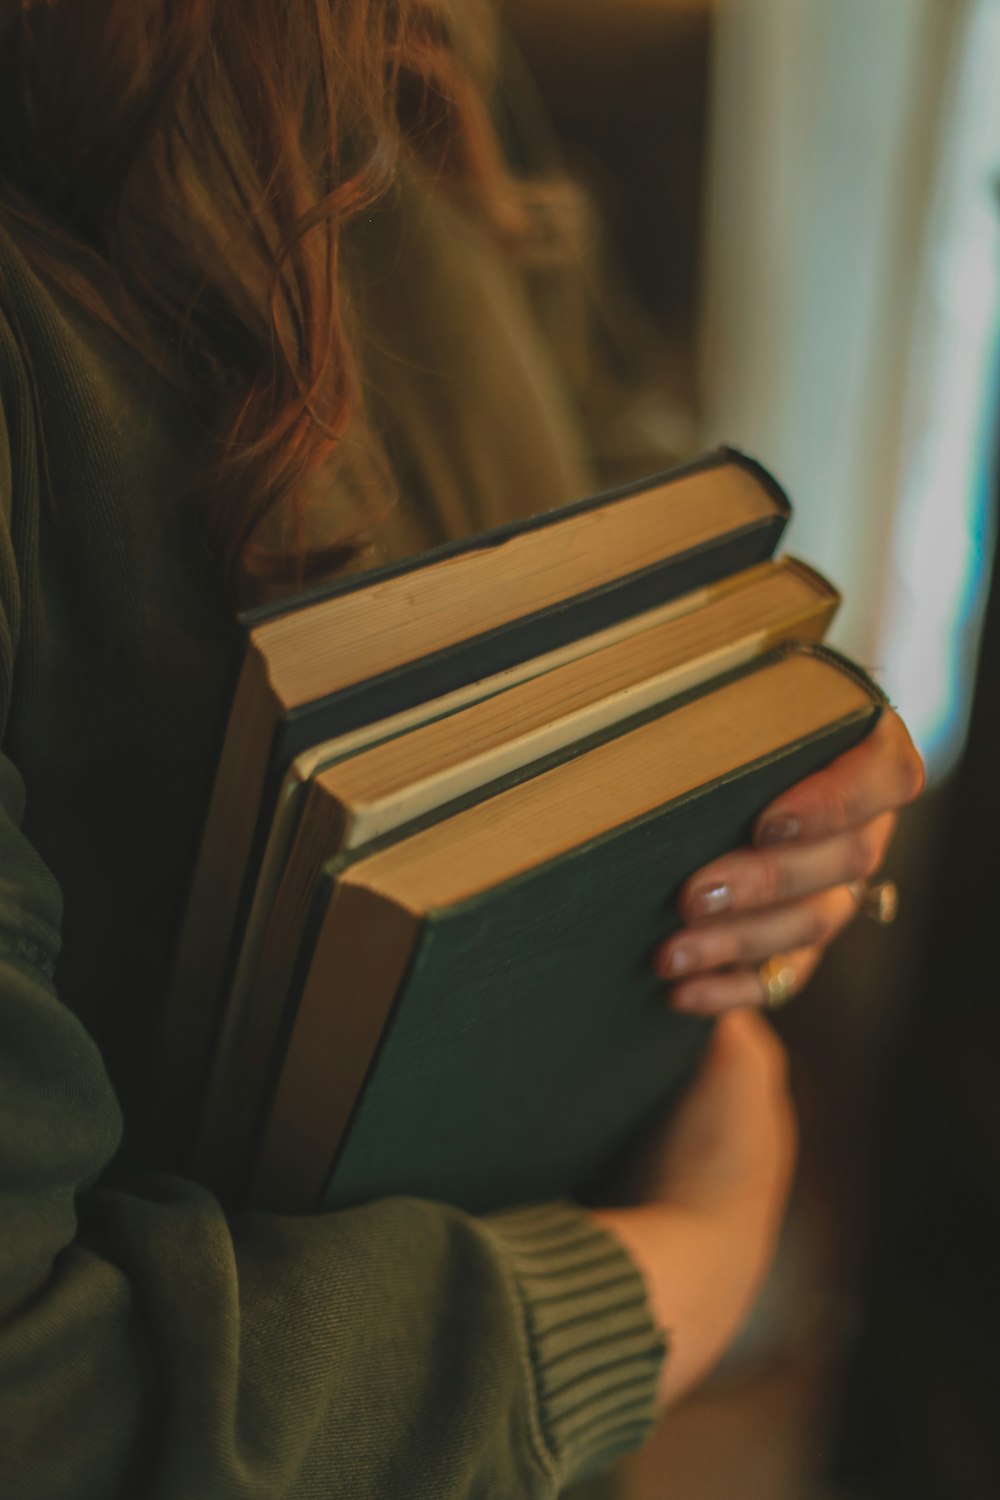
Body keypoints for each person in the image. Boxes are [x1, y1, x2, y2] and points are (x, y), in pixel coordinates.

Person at [0, 3, 924, 1496]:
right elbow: (32, 1402)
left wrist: (768, 771)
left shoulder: (392, 33)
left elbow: (615, 434)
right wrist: (662, 1287)